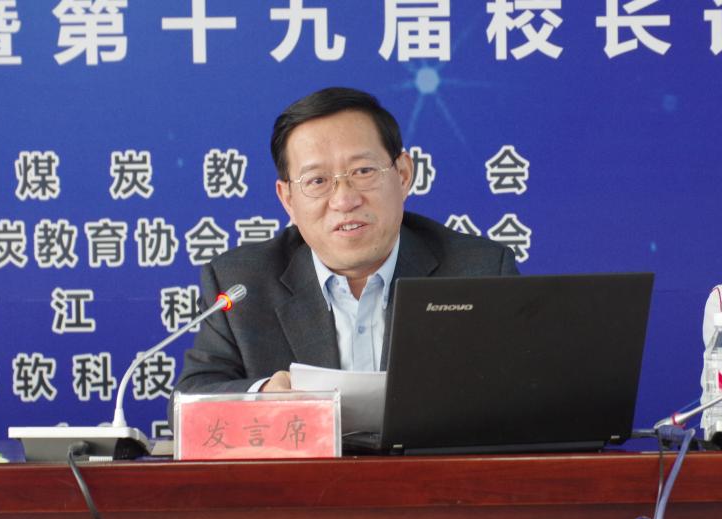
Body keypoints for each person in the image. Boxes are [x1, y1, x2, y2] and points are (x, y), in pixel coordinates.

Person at [172, 86, 519, 404]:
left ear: (403, 175)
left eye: (363, 171)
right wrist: (262, 396)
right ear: (288, 199)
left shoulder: (480, 272)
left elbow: (523, 397)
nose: (344, 200)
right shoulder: (242, 282)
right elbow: (189, 401)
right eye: (317, 180)